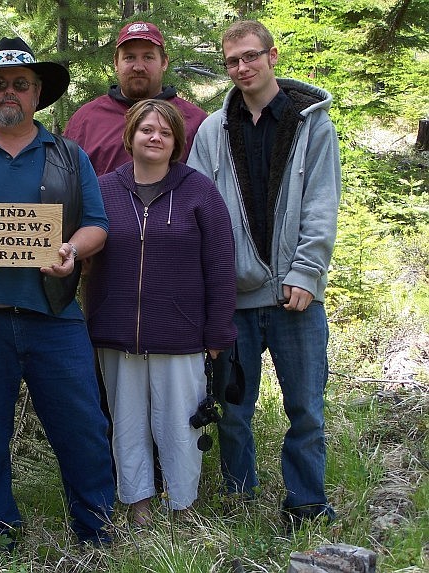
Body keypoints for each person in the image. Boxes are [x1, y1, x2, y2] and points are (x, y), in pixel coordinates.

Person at [0, 37, 115, 546]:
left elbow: (96, 224)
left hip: (55, 316)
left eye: (20, 84)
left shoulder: (69, 157)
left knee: (83, 428)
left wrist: (72, 249)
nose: (9, 92)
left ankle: (96, 529)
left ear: (38, 95)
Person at [186, 20, 341, 529]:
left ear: (272, 56)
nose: (242, 68)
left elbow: (321, 203)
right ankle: (239, 499)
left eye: (251, 57)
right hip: (235, 297)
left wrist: (307, 271)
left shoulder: (311, 122)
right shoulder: (212, 130)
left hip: (297, 295)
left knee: (306, 410)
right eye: (232, 62)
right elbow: (201, 211)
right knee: (234, 413)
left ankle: (306, 505)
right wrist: (209, 292)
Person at [85, 99, 236, 525]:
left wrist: (218, 331)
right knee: (127, 424)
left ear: (177, 143)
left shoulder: (199, 191)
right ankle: (138, 505)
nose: (155, 137)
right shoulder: (102, 189)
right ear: (129, 137)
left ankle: (183, 505)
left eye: (165, 133)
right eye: (146, 130)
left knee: (180, 427)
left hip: (182, 335)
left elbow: (221, 264)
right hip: (116, 333)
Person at [64, 21, 208, 176]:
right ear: (116, 63)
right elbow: (67, 184)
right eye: (129, 57)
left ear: (164, 62)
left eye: (148, 57)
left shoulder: (195, 122)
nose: (138, 67)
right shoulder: (85, 121)